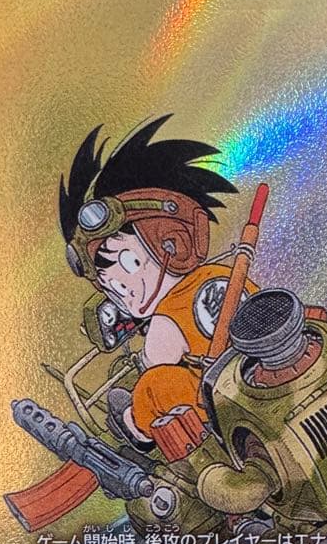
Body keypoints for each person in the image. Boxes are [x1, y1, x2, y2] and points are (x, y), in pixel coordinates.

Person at [58, 113, 257, 448]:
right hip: (255, 369)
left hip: (217, 400)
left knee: (154, 385)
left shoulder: (167, 318)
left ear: (172, 242)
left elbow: (156, 360)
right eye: (110, 287)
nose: (122, 290)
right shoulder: (225, 273)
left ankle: (135, 428)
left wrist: (146, 361)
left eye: (130, 263)